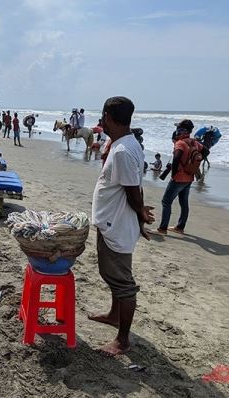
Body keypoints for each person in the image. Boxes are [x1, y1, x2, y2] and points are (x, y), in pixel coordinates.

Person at [88, 96, 155, 356]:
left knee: (122, 282)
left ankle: (123, 340)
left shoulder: (125, 150)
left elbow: (132, 191)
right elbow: (132, 186)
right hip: (112, 222)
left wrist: (140, 211)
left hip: (117, 225)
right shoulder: (124, 143)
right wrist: (139, 211)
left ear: (107, 116)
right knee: (111, 275)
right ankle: (114, 315)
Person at [156, 119, 209, 235]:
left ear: (181, 130)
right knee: (184, 203)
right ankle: (180, 227)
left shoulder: (180, 143)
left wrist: (173, 174)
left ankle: (162, 229)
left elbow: (176, 159)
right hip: (189, 178)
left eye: (178, 129)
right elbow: (206, 151)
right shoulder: (194, 142)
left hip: (178, 178)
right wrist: (193, 165)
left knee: (166, 202)